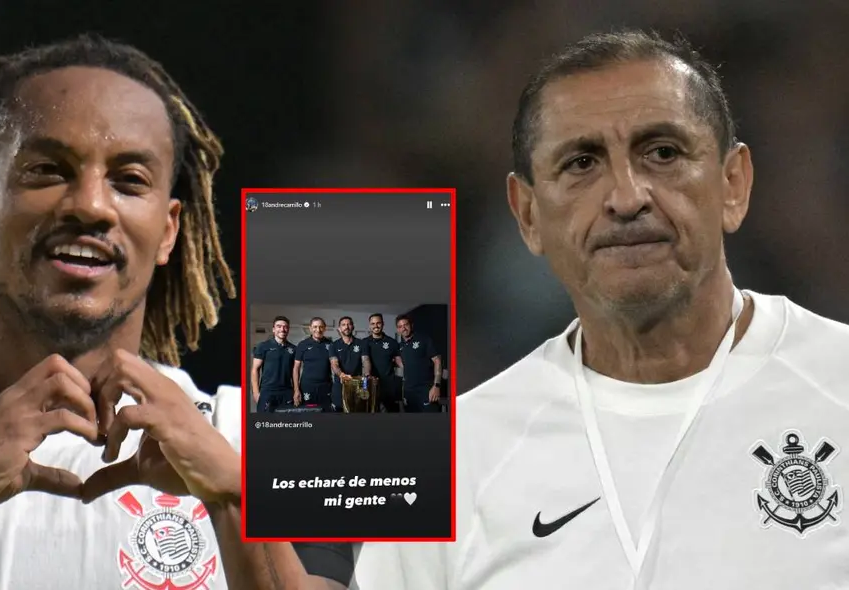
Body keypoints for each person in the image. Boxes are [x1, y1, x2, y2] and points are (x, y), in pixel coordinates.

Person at [0, 35, 352, 590]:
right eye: (48, 170)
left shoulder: (253, 443)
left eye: (129, 180)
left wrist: (232, 497)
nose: (90, 205)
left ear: (168, 231)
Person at [354, 29, 849, 589]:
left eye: (662, 153)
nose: (626, 196)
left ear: (733, 183)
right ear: (529, 214)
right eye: (582, 163)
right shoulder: (453, 458)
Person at [394, 315, 441, 413]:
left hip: (426, 391)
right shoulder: (400, 346)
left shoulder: (424, 339)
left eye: (406, 325)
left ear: (411, 325)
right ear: (398, 330)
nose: (403, 328)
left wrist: (436, 385)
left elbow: (437, 360)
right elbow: (402, 362)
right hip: (409, 393)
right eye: (400, 326)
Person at [251, 316, 296, 412]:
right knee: (265, 423)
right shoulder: (263, 346)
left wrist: (296, 391)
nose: (282, 329)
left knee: (287, 424)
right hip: (267, 391)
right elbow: (255, 369)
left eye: (285, 327)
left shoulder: (293, 349)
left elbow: (294, 371)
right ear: (273, 329)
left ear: (288, 329)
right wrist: (255, 393)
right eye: (279, 326)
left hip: (287, 392)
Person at [328, 317, 372, 412]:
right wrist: (342, 375)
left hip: (358, 385)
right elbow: (334, 364)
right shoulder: (333, 345)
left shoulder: (362, 343)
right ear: (339, 328)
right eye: (343, 325)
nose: (346, 327)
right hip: (340, 386)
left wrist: (365, 381)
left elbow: (366, 361)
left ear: (353, 327)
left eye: (349, 324)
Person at [294, 318, 334, 410]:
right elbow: (296, 368)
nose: (318, 330)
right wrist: (296, 390)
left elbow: (335, 365)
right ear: (310, 328)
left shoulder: (331, 344)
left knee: (326, 415)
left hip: (326, 387)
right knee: (307, 415)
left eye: (321, 327)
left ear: (324, 328)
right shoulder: (302, 345)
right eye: (315, 327)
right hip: (307, 387)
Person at [363, 313, 401, 412]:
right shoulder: (364, 342)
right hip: (370, 385)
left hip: (389, 387)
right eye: (373, 323)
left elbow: (400, 362)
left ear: (383, 324)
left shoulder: (392, 342)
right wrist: (368, 376)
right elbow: (365, 360)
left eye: (378, 323)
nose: (376, 326)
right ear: (369, 325)